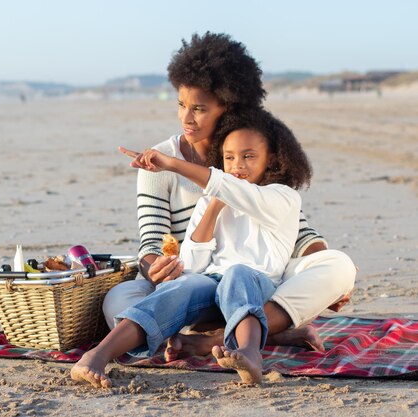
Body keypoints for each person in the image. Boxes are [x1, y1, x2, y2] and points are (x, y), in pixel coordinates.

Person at [103, 32, 355, 353]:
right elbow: (151, 240)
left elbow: (300, 232)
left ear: (228, 105)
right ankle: (265, 331)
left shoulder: (252, 156)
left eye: (199, 108)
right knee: (117, 300)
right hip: (191, 283)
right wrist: (156, 269)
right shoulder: (161, 161)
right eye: (181, 105)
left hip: (256, 279)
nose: (186, 118)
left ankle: (213, 339)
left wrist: (331, 278)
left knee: (336, 266)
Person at [71, 108, 310, 387]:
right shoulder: (211, 199)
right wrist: (214, 207)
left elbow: (240, 193)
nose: (237, 165)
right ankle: (98, 355)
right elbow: (193, 265)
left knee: (238, 273)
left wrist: (176, 165)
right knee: (180, 287)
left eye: (249, 156)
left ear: (271, 160)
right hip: (210, 285)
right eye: (229, 158)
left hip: (257, 284)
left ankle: (249, 354)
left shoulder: (283, 196)